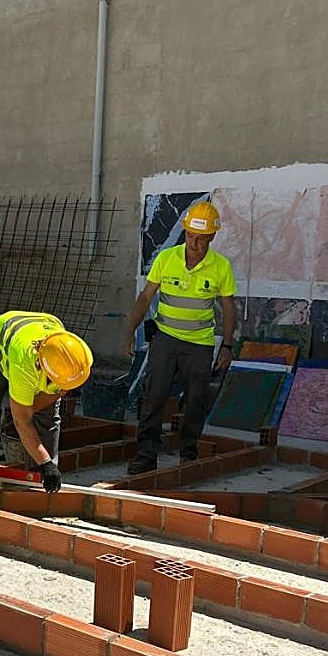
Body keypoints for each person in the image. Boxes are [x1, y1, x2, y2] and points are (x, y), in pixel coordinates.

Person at [124, 199, 236, 475]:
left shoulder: (221, 267)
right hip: (165, 339)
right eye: (190, 236)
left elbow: (228, 307)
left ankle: (188, 454)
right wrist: (129, 332)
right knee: (154, 396)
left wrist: (227, 346)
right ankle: (146, 455)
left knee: (196, 400)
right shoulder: (166, 259)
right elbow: (145, 297)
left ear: (212, 237)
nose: (194, 243)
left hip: (199, 344)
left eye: (201, 238)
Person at [0, 311, 93, 493]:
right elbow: (22, 422)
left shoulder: (74, 358)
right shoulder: (24, 365)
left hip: (43, 325)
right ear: (43, 368)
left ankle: (43, 477)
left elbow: (61, 389)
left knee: (48, 417)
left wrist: (46, 464)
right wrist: (20, 416)